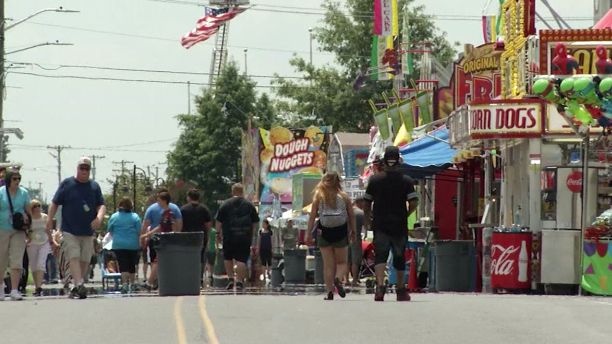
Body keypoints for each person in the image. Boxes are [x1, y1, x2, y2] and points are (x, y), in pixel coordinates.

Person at [363, 146, 418, 302]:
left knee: (381, 255)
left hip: (380, 224)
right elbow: (414, 202)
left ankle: (380, 287)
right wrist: (406, 214)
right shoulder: (406, 181)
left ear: (384, 161)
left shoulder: (375, 180)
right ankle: (401, 290)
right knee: (399, 256)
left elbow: (367, 203)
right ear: (399, 160)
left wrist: (367, 221)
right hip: (399, 224)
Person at [46, 157, 106, 299]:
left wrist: (99, 218)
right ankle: (79, 284)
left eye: (87, 168)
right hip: (69, 230)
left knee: (85, 259)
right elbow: (55, 203)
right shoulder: (67, 184)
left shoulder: (94, 186)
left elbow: (101, 205)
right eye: (82, 168)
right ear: (77, 168)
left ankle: (76, 285)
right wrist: (49, 219)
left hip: (87, 230)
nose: (84, 171)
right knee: (74, 256)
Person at [305, 172, 355, 301]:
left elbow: (312, 217)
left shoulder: (319, 196)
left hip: (324, 232)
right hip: (340, 231)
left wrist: (308, 233)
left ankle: (329, 292)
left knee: (328, 265)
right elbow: (351, 215)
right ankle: (338, 278)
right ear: (338, 181)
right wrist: (353, 231)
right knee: (342, 262)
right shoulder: (344, 196)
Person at [215, 183, 259, 291]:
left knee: (228, 257)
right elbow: (256, 222)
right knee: (241, 259)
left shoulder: (225, 205)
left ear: (232, 191)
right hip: (244, 236)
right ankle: (239, 281)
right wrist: (253, 235)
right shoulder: (249, 205)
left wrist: (218, 233)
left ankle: (230, 279)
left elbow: (218, 221)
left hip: (229, 235)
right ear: (242, 192)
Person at [140, 190, 182, 290]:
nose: (158, 203)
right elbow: (160, 227)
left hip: (167, 240)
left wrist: (175, 234)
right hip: (163, 239)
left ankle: (150, 282)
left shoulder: (169, 213)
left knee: (157, 261)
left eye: (159, 200)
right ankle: (158, 281)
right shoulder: (165, 213)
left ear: (164, 201)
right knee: (159, 261)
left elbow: (174, 226)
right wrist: (147, 234)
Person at [0, 169, 32, 301]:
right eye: (14, 179)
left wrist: (29, 229)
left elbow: (29, 212)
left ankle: (14, 289)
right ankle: (1, 289)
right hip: (2, 229)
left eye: (19, 179)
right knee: (1, 259)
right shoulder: (1, 192)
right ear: (8, 180)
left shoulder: (24, 193)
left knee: (17, 260)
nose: (17, 181)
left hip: (18, 230)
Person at [108, 197, 142, 293]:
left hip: (119, 244)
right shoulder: (135, 217)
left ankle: (124, 285)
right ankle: (132, 283)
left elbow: (110, 229)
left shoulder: (114, 216)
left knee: (123, 265)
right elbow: (139, 231)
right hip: (133, 244)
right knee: (132, 264)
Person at [180, 188, 212, 287]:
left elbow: (180, 224)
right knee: (201, 258)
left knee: (187, 257)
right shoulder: (204, 209)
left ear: (189, 197)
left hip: (186, 236)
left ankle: (188, 276)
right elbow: (208, 225)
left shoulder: (183, 209)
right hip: (201, 236)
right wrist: (208, 236)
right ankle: (200, 278)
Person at [26, 199, 53, 296]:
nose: (37, 208)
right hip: (32, 243)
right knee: (33, 265)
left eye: (38, 206)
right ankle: (36, 285)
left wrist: (52, 241)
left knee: (40, 263)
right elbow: (27, 230)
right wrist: (27, 238)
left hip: (44, 243)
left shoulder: (44, 217)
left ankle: (39, 287)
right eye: (34, 206)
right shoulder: (29, 218)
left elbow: (48, 230)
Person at [347, 196, 366, 286]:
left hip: (345, 239)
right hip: (356, 238)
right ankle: (354, 280)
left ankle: (346, 280)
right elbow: (367, 226)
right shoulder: (360, 213)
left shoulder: (346, 212)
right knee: (355, 261)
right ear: (360, 202)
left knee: (346, 261)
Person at [256, 219, 273, 284]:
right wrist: (258, 248)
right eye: (262, 224)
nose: (263, 225)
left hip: (268, 248)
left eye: (264, 224)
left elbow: (272, 240)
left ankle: (269, 274)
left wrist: (272, 248)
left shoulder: (270, 232)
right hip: (262, 249)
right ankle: (264, 275)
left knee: (269, 262)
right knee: (263, 262)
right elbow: (259, 240)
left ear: (267, 224)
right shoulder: (260, 232)